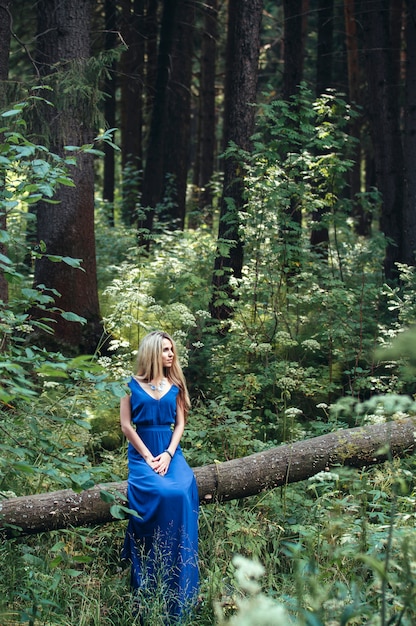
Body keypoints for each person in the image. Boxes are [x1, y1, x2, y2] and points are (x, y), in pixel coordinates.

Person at [120, 330, 199, 623]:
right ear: (153, 353)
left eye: (172, 350)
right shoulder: (129, 386)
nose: (171, 355)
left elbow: (179, 425)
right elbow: (127, 426)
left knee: (180, 491)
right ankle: (149, 557)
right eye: (165, 350)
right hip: (142, 454)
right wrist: (148, 457)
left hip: (169, 451)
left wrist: (167, 455)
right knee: (160, 493)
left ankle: (180, 569)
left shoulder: (175, 385)